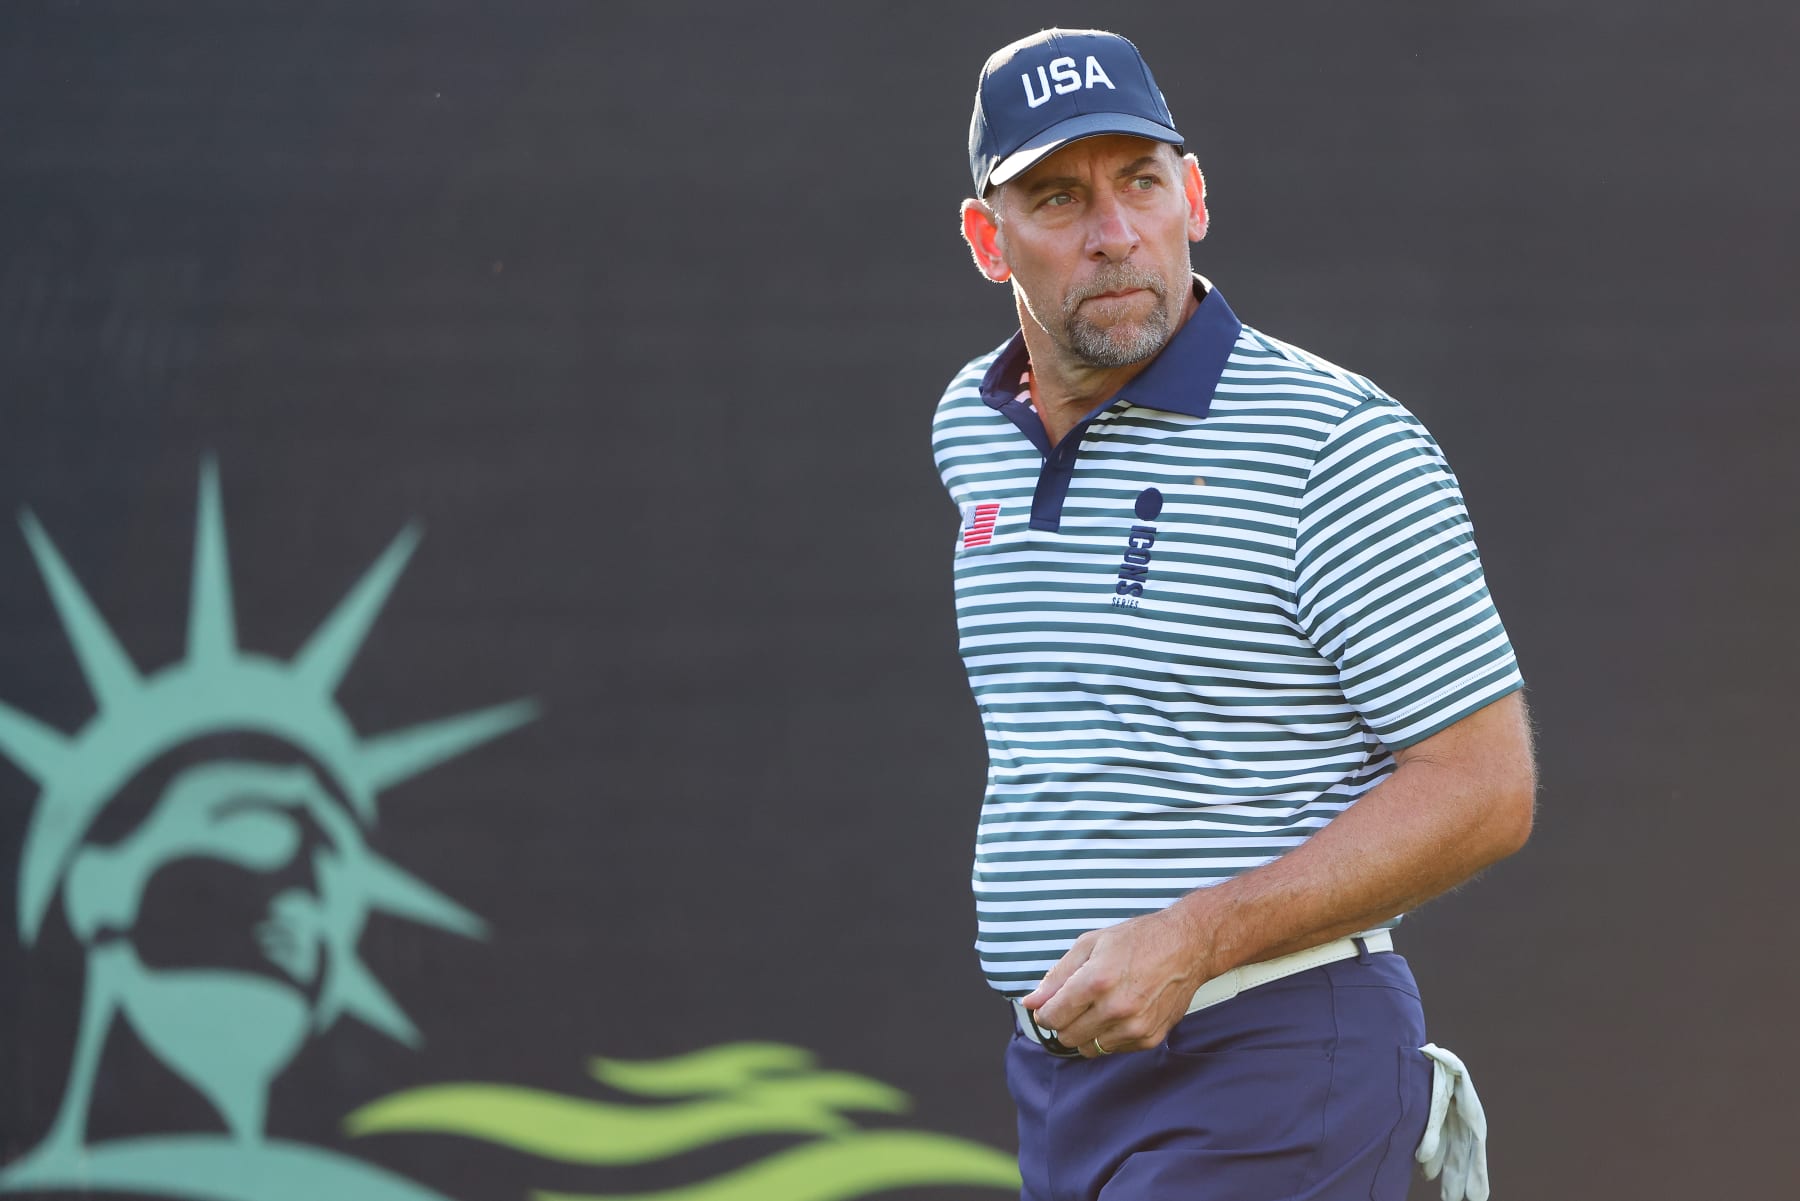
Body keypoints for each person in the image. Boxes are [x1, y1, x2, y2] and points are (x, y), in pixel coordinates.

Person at [931, 28, 1536, 1201]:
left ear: (1193, 196)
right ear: (984, 237)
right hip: (1062, 1078)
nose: (1113, 234)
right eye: (1058, 197)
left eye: (1140, 184)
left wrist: (1194, 936)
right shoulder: (973, 424)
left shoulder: (1336, 444)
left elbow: (1484, 785)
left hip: (1271, 1057)